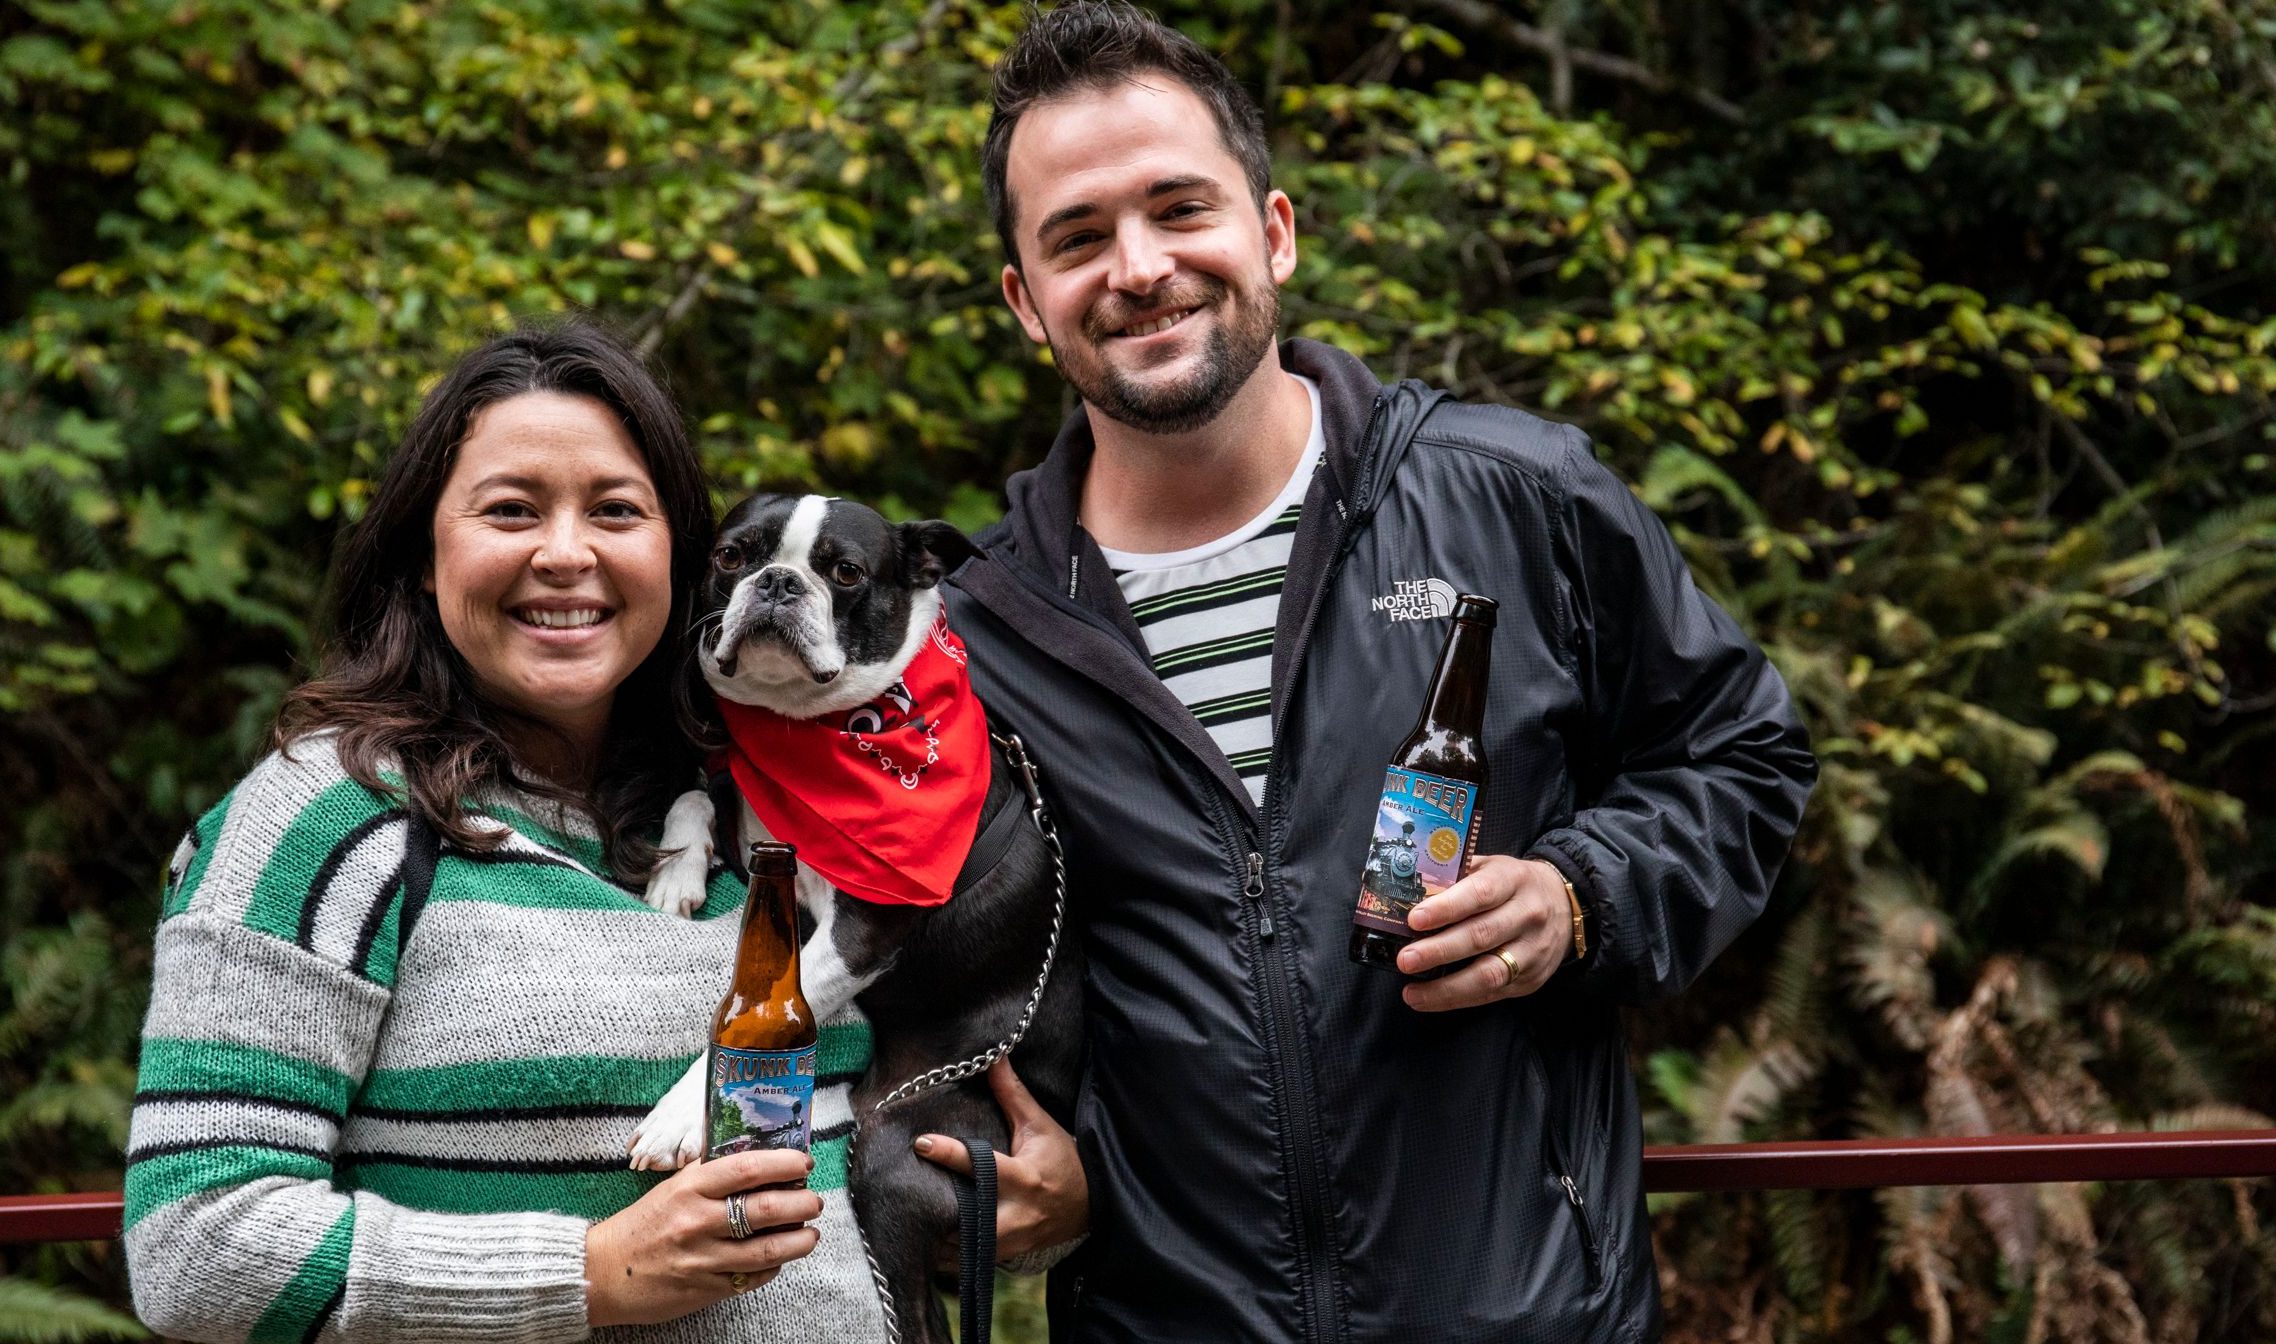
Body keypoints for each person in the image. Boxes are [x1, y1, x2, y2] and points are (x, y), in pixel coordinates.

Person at [932, 3, 1819, 1339]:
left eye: (1181, 209)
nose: (1139, 265)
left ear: (1274, 232)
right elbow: (917, 962)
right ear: (1025, 304)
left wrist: (1581, 897)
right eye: (1076, 237)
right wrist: (1027, 1160)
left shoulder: (1515, 500)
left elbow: (1746, 762)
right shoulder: (976, 637)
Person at [123, 324, 885, 1341]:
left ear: (685, 557)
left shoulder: (764, 806)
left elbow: (862, 1140)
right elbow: (194, 1244)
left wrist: (1042, 1199)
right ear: (422, 554)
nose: (566, 554)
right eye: (511, 510)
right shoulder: (327, 817)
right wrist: (594, 1272)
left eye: (615, 510)